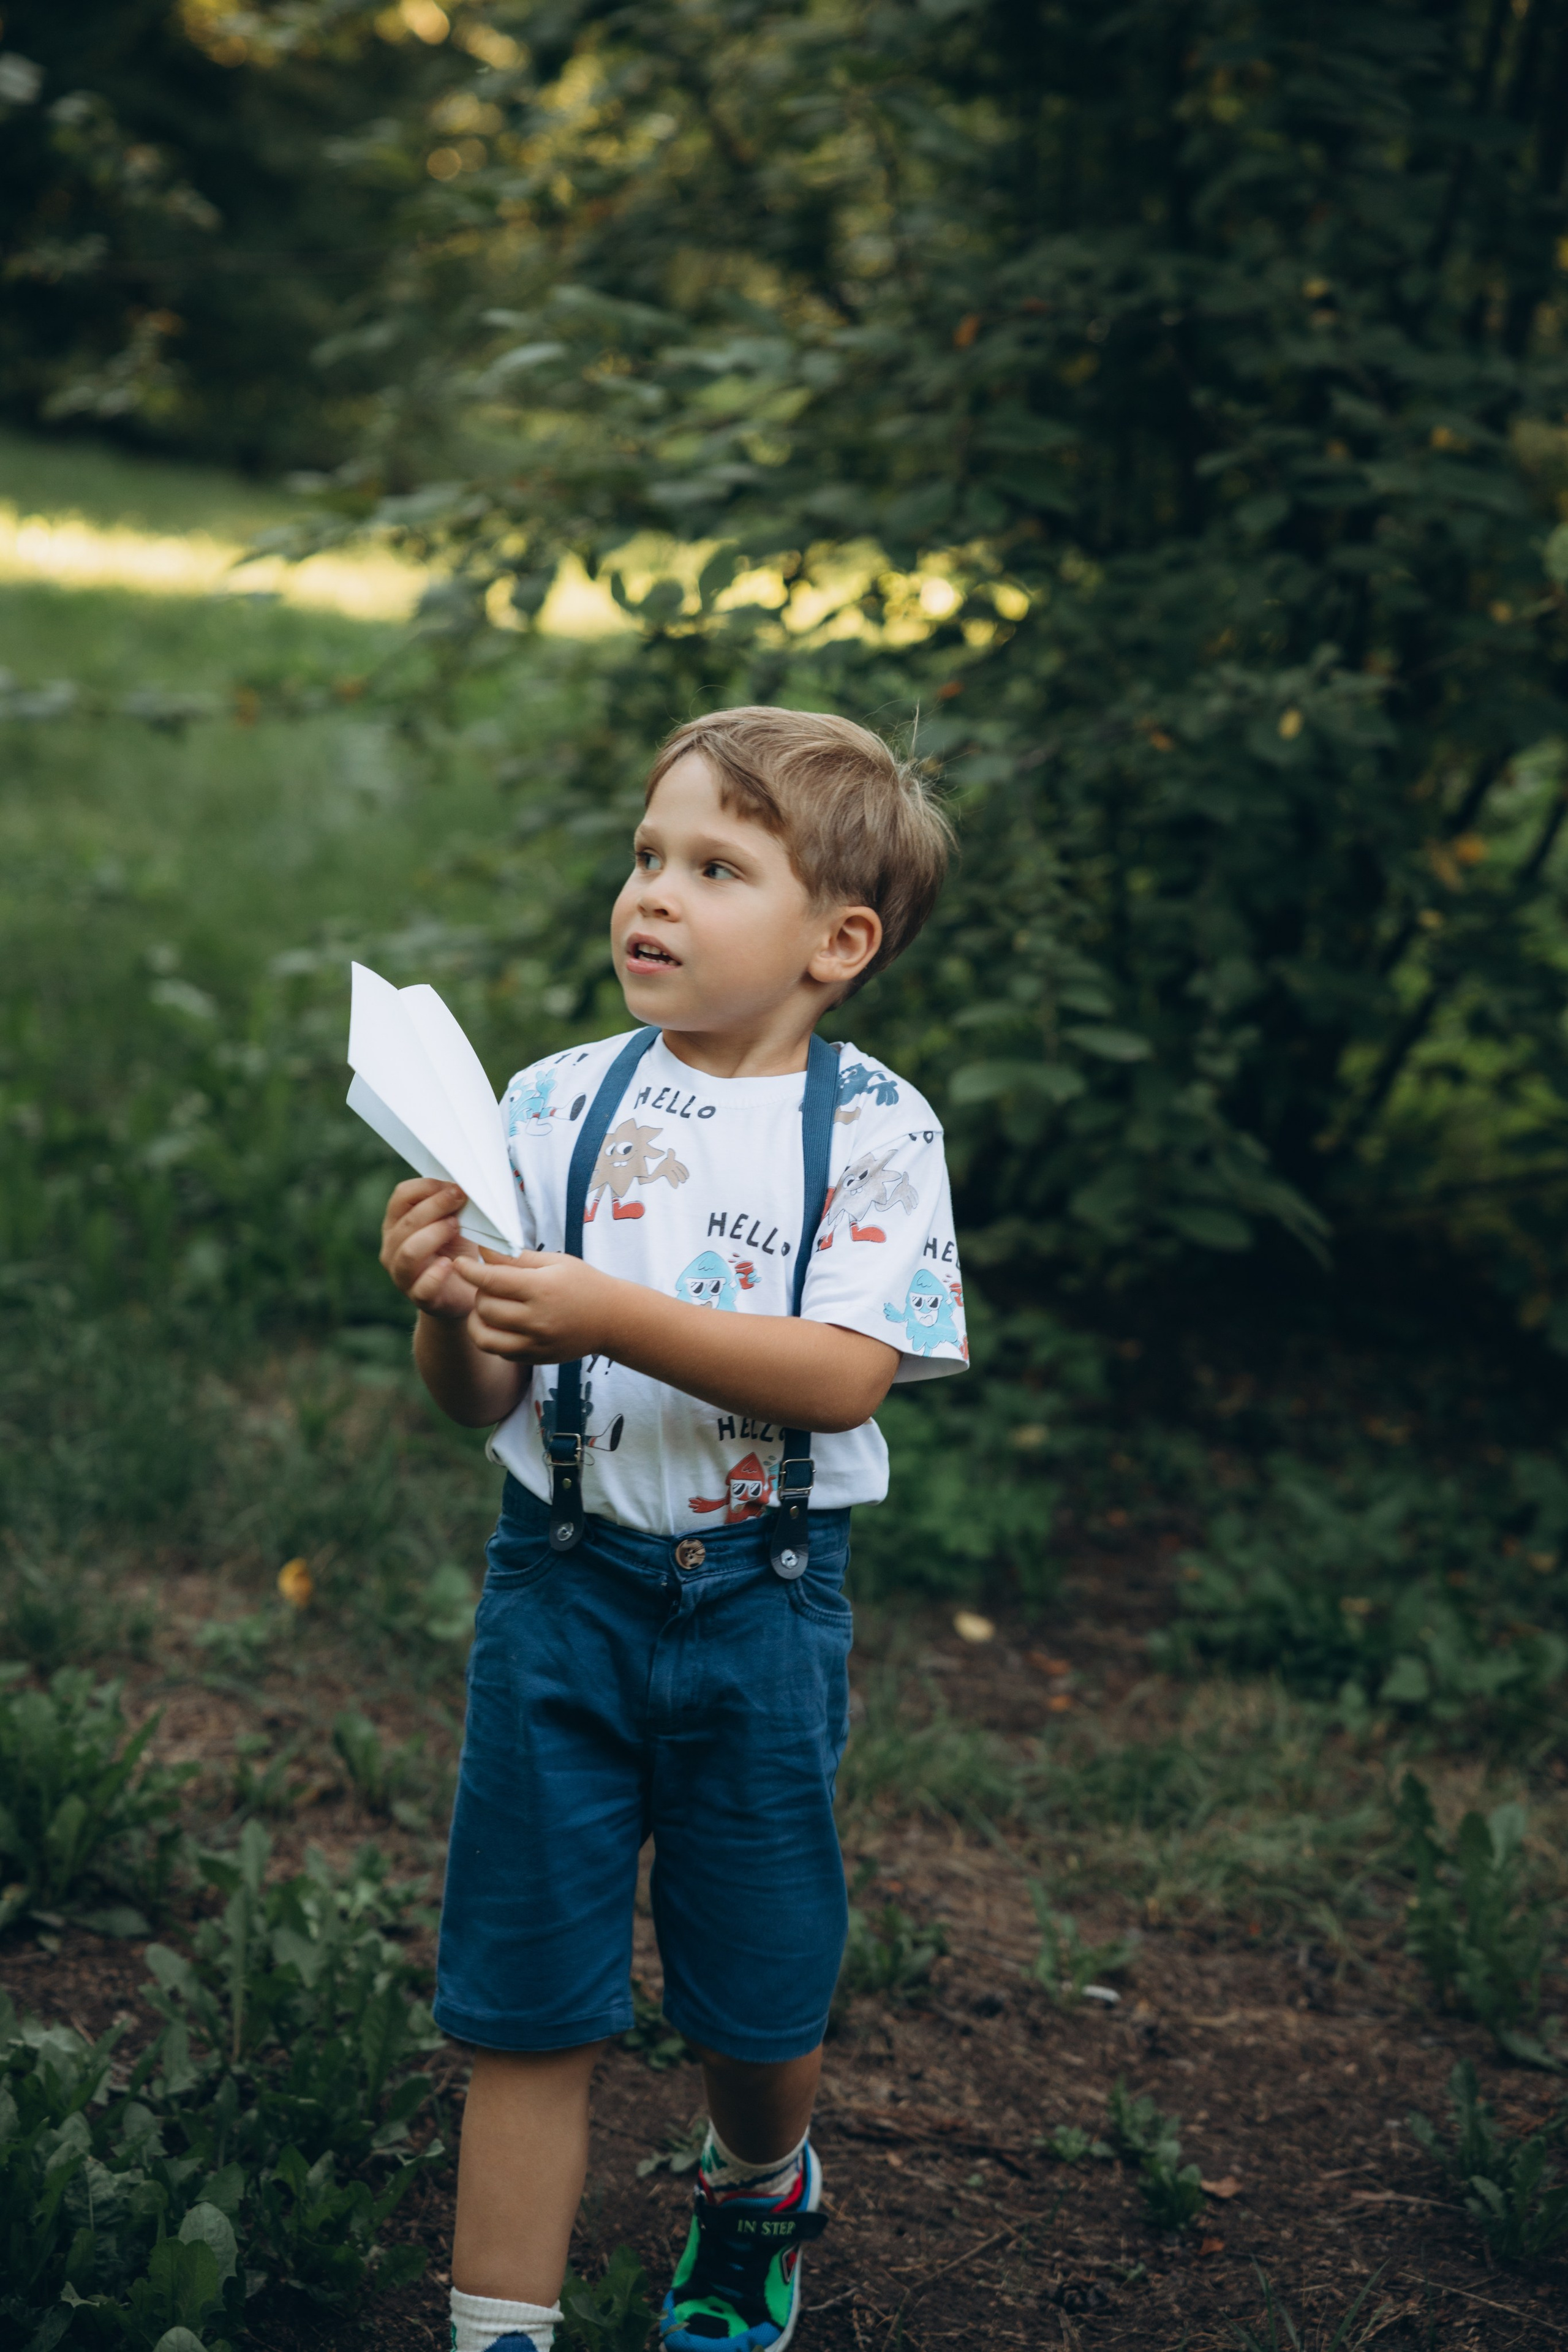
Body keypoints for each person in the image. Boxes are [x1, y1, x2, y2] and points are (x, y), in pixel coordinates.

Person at [378, 706, 968, 2352]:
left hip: (760, 1609)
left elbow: (847, 1376)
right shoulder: (554, 1103)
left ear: (837, 943)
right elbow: (481, 1394)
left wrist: (610, 1312)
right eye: (648, 854)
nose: (653, 892)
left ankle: (758, 2178)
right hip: (559, 1590)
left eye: (717, 867)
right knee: (527, 1997)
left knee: (759, 1993)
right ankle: (500, 2328)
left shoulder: (873, 1129)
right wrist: (448, 1306)